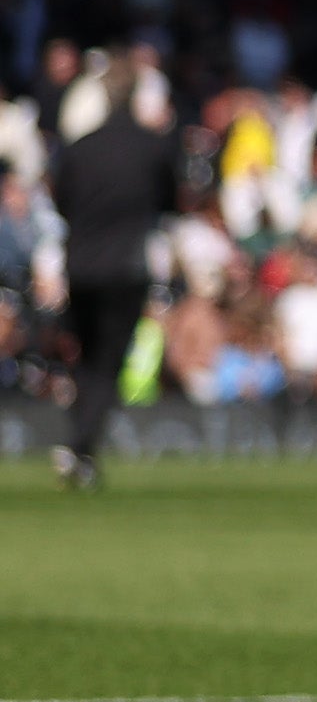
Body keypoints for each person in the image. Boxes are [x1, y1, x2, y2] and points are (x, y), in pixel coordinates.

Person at [46, 72, 181, 488]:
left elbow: (61, 201)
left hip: (80, 265)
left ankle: (80, 449)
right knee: (106, 363)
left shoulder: (79, 148)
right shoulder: (151, 147)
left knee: (84, 358)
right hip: (125, 267)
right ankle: (80, 447)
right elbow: (170, 201)